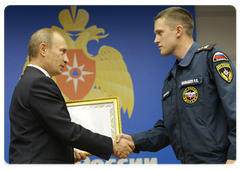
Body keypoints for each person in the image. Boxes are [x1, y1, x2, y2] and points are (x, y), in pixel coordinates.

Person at [116, 7, 237, 165]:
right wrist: (133, 140)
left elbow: (236, 112)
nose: (155, 40)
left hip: (219, 162)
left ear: (178, 30)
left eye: (160, 33)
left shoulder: (211, 58)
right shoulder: (171, 78)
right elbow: (168, 130)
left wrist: (234, 158)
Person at [9, 28, 134, 164]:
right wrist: (111, 145)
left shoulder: (29, 80)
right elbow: (67, 130)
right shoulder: (39, 82)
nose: (67, 59)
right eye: (62, 51)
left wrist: (66, 152)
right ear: (43, 49)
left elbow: (44, 133)